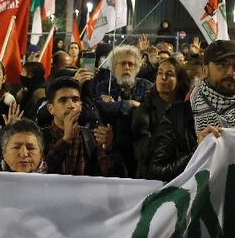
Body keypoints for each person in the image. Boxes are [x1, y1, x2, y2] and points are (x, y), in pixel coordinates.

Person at [147, 40, 235, 182]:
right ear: (205, 70)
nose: (230, 72)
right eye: (222, 64)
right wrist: (198, 150)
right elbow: (156, 172)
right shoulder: (178, 114)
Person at [44, 77, 125, 176]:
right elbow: (40, 171)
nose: (71, 105)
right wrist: (65, 140)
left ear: (81, 106)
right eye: (63, 100)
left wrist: (108, 148)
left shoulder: (91, 137)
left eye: (75, 99)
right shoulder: (39, 137)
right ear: (51, 109)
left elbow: (115, 176)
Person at [95, 44, 154, 177]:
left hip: (140, 149)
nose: (127, 67)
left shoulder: (148, 87)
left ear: (137, 68)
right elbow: (101, 109)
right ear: (114, 67)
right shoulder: (104, 86)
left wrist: (115, 105)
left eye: (131, 64)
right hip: (113, 149)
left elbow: (149, 112)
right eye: (122, 63)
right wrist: (130, 104)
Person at [132, 57, 188, 178]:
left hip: (181, 175)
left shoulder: (186, 109)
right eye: (160, 73)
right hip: (150, 178)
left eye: (169, 74)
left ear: (179, 80)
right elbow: (143, 154)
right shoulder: (144, 111)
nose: (163, 78)